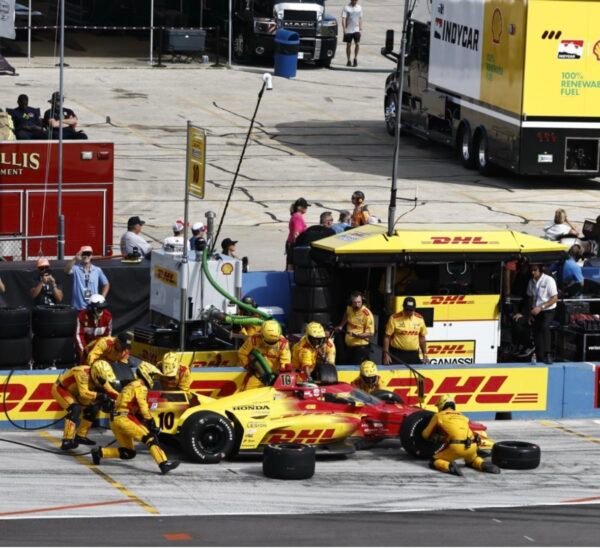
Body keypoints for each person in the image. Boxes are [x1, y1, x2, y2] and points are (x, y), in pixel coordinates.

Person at [91, 362, 180, 475]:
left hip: (114, 420)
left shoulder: (130, 385)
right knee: (150, 438)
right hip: (124, 418)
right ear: (146, 374)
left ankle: (99, 452)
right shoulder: (141, 387)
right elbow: (143, 407)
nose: (153, 379)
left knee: (128, 452)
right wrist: (151, 422)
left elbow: (120, 399)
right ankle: (163, 463)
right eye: (152, 375)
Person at [422, 395, 500, 476]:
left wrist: (437, 437)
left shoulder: (438, 416)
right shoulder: (463, 416)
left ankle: (448, 466)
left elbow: (425, 435)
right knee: (472, 460)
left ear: (441, 405)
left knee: (433, 460)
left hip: (455, 448)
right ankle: (481, 464)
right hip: (472, 446)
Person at [51, 362, 117, 450]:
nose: (104, 381)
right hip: (61, 389)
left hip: (77, 392)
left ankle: (80, 436)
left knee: (94, 408)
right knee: (75, 409)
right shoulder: (82, 373)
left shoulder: (100, 377)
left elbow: (110, 391)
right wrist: (101, 396)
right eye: (102, 379)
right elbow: (84, 393)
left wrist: (123, 399)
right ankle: (67, 440)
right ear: (95, 374)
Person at [238, 319, 291, 388]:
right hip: (257, 373)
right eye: (269, 341)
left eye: (273, 342)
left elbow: (286, 360)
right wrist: (247, 366)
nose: (271, 344)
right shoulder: (254, 339)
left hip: (276, 374)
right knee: (248, 389)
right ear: (262, 335)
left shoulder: (283, 343)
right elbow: (242, 352)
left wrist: (282, 369)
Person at [382, 296, 428, 365]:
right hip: (397, 354)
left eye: (411, 310)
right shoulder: (394, 318)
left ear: (414, 308)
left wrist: (425, 354)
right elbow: (387, 337)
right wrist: (386, 354)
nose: (408, 312)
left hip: (413, 354)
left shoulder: (420, 319)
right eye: (407, 309)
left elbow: (422, 338)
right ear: (403, 307)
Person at [527, 264, 558, 364]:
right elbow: (530, 298)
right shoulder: (531, 282)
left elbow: (554, 298)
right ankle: (540, 355)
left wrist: (541, 307)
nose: (533, 272)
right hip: (535, 310)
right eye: (531, 270)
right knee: (536, 332)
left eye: (535, 270)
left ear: (540, 270)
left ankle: (548, 354)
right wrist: (530, 313)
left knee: (544, 327)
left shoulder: (548, 280)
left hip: (548, 309)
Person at [64, 245, 109, 310]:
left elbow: (106, 284)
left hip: (93, 306)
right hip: (78, 307)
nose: (86, 256)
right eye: (84, 254)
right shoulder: (75, 268)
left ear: (91, 256)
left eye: (88, 254)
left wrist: (102, 298)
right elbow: (66, 271)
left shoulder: (97, 270)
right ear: (81, 255)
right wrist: (75, 259)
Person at [335, 291, 375, 364]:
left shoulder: (367, 314)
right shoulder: (349, 308)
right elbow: (346, 314)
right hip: (349, 346)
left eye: (359, 302)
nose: (357, 305)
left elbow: (371, 333)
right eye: (355, 302)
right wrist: (341, 325)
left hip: (360, 347)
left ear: (362, 301)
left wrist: (359, 335)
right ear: (351, 302)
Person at [76, 294, 113, 361]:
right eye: (99, 309)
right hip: (85, 348)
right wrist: (83, 350)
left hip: (99, 349)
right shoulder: (82, 316)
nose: (101, 311)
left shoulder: (107, 316)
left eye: (102, 308)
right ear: (91, 308)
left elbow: (107, 336)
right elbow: (79, 335)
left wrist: (102, 351)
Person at [286, 198, 310, 271]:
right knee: (292, 269)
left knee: (290, 267)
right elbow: (296, 234)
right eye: (305, 206)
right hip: (294, 245)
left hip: (291, 244)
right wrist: (299, 248)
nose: (306, 208)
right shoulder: (297, 217)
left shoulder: (295, 216)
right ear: (299, 207)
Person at [342, 0, 363, 67]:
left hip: (356, 29)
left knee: (357, 44)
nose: (355, 1)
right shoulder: (346, 7)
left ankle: (355, 58)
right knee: (348, 45)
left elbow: (360, 18)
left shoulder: (359, 7)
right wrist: (344, 29)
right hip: (349, 30)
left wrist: (360, 27)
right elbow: (343, 19)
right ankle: (348, 60)